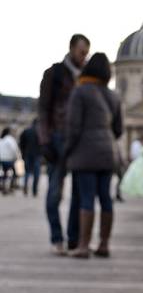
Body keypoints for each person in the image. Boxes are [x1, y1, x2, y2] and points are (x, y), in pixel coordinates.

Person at [65, 53, 123, 259]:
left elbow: (73, 127)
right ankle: (104, 244)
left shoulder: (80, 92)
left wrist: (67, 150)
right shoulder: (113, 96)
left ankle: (83, 245)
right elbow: (118, 129)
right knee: (106, 198)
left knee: (86, 198)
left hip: (85, 153)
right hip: (108, 153)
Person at [38, 34, 90, 255]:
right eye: (81, 52)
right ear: (71, 49)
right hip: (58, 138)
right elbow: (43, 109)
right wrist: (45, 140)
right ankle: (57, 238)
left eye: (86, 52)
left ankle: (72, 240)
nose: (84, 56)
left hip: (78, 140)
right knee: (55, 193)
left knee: (79, 193)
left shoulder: (87, 77)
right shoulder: (54, 73)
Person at [19, 119, 41, 196]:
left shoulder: (26, 131)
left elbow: (21, 143)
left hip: (27, 154)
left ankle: (25, 187)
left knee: (27, 172)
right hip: (36, 155)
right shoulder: (39, 132)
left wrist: (23, 153)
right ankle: (34, 190)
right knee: (36, 174)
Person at [0, 128, 19, 194]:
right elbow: (14, 149)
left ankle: (3, 186)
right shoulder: (10, 139)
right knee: (15, 173)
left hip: (2, 159)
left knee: (4, 173)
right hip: (9, 159)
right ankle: (11, 187)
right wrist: (16, 157)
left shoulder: (2, 139)